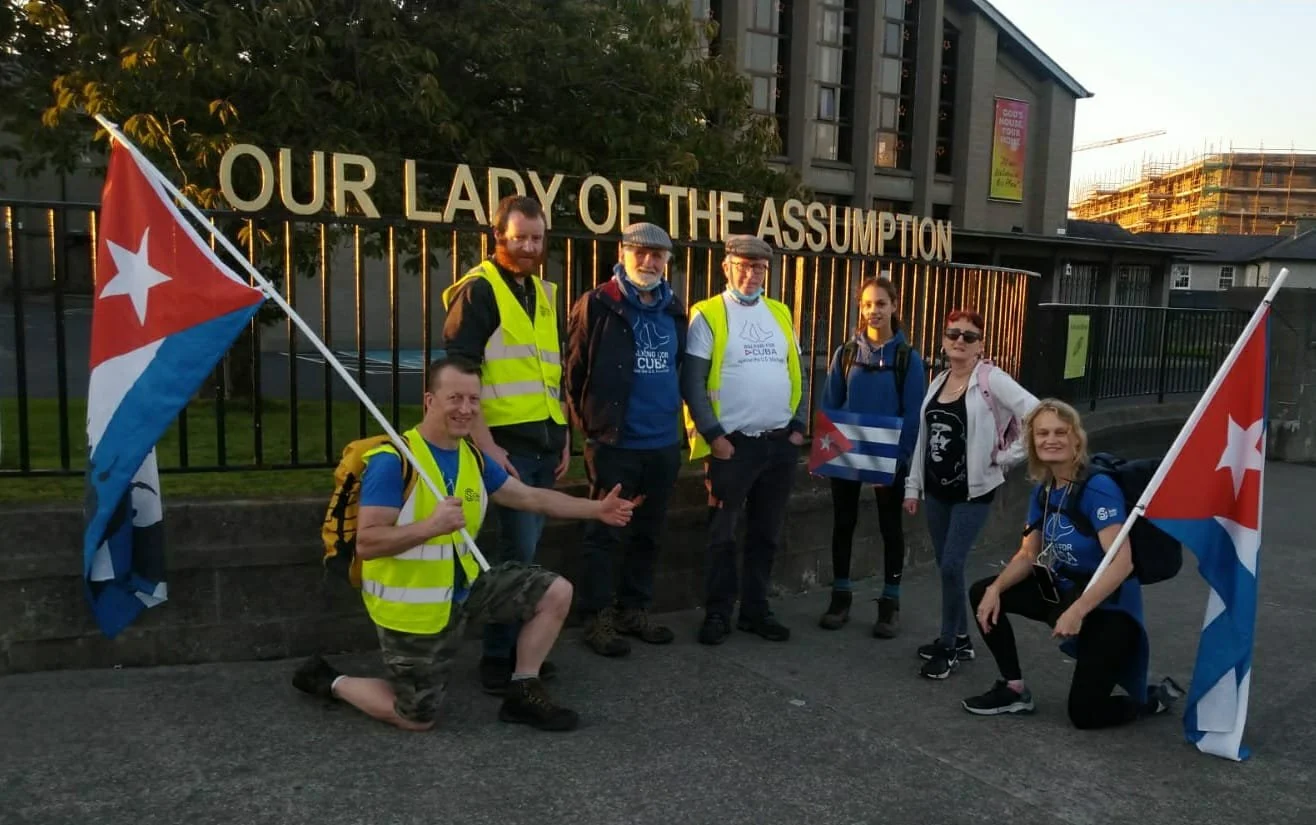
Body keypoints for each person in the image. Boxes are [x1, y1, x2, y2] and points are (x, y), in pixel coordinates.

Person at [291, 357, 637, 733]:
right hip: (413, 608)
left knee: (555, 593)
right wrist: (432, 526)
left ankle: (523, 690)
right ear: (429, 401)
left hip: (465, 587)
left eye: (473, 400)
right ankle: (329, 681)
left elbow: (530, 498)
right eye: (454, 397)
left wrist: (597, 508)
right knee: (416, 718)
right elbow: (368, 543)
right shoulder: (394, 462)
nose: (466, 409)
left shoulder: (471, 456)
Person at [961, 399, 1183, 726]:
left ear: (1076, 439)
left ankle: (1151, 700)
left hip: (1110, 607)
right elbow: (1027, 553)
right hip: (1066, 593)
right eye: (1043, 433)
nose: (1051, 439)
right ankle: (1013, 690)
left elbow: (1121, 564)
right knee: (983, 593)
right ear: (1033, 443)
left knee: (1085, 714)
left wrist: (1078, 611)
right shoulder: (1045, 489)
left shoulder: (1098, 488)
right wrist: (996, 588)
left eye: (1060, 432)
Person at [441, 195, 570, 694]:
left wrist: (563, 436)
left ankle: (521, 650)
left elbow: (548, 373)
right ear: (499, 237)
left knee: (528, 553)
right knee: (515, 554)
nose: (531, 247)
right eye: (521, 238)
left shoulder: (541, 292)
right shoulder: (479, 291)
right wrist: (486, 446)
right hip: (505, 448)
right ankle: (498, 659)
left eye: (537, 238)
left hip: (542, 440)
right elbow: (460, 375)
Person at [564, 222, 689, 657]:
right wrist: (590, 428)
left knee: (649, 533)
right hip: (615, 443)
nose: (649, 262)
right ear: (623, 253)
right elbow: (573, 370)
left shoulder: (674, 309)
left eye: (658, 256)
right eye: (641, 253)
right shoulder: (598, 303)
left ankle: (633, 609)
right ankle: (596, 616)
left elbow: (677, 364)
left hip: (662, 443)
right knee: (605, 534)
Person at [681, 234, 806, 646]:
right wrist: (714, 436)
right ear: (727, 267)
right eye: (744, 266)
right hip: (732, 446)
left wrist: (798, 427)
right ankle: (718, 612)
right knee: (723, 534)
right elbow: (693, 381)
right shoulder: (709, 313)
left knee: (766, 533)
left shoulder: (780, 312)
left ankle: (755, 609)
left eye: (759, 268)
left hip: (778, 444)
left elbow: (797, 371)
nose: (752, 274)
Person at [903, 308, 1039, 680]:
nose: (959, 341)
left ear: (980, 345)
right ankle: (961, 636)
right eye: (952, 334)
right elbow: (923, 439)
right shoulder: (938, 381)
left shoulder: (991, 379)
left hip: (973, 491)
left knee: (951, 564)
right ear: (944, 340)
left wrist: (1006, 457)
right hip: (936, 489)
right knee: (947, 567)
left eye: (968, 336)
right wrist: (912, 486)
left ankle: (948, 645)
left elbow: (1038, 413)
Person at [817, 276, 926, 637]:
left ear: (894, 306)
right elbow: (831, 404)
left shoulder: (908, 359)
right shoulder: (845, 353)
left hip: (887, 455)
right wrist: (823, 453)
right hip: (847, 451)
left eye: (881, 303)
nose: (873, 311)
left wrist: (898, 460)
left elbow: (913, 415)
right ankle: (841, 596)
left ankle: (890, 603)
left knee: (890, 528)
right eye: (867, 304)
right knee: (843, 524)